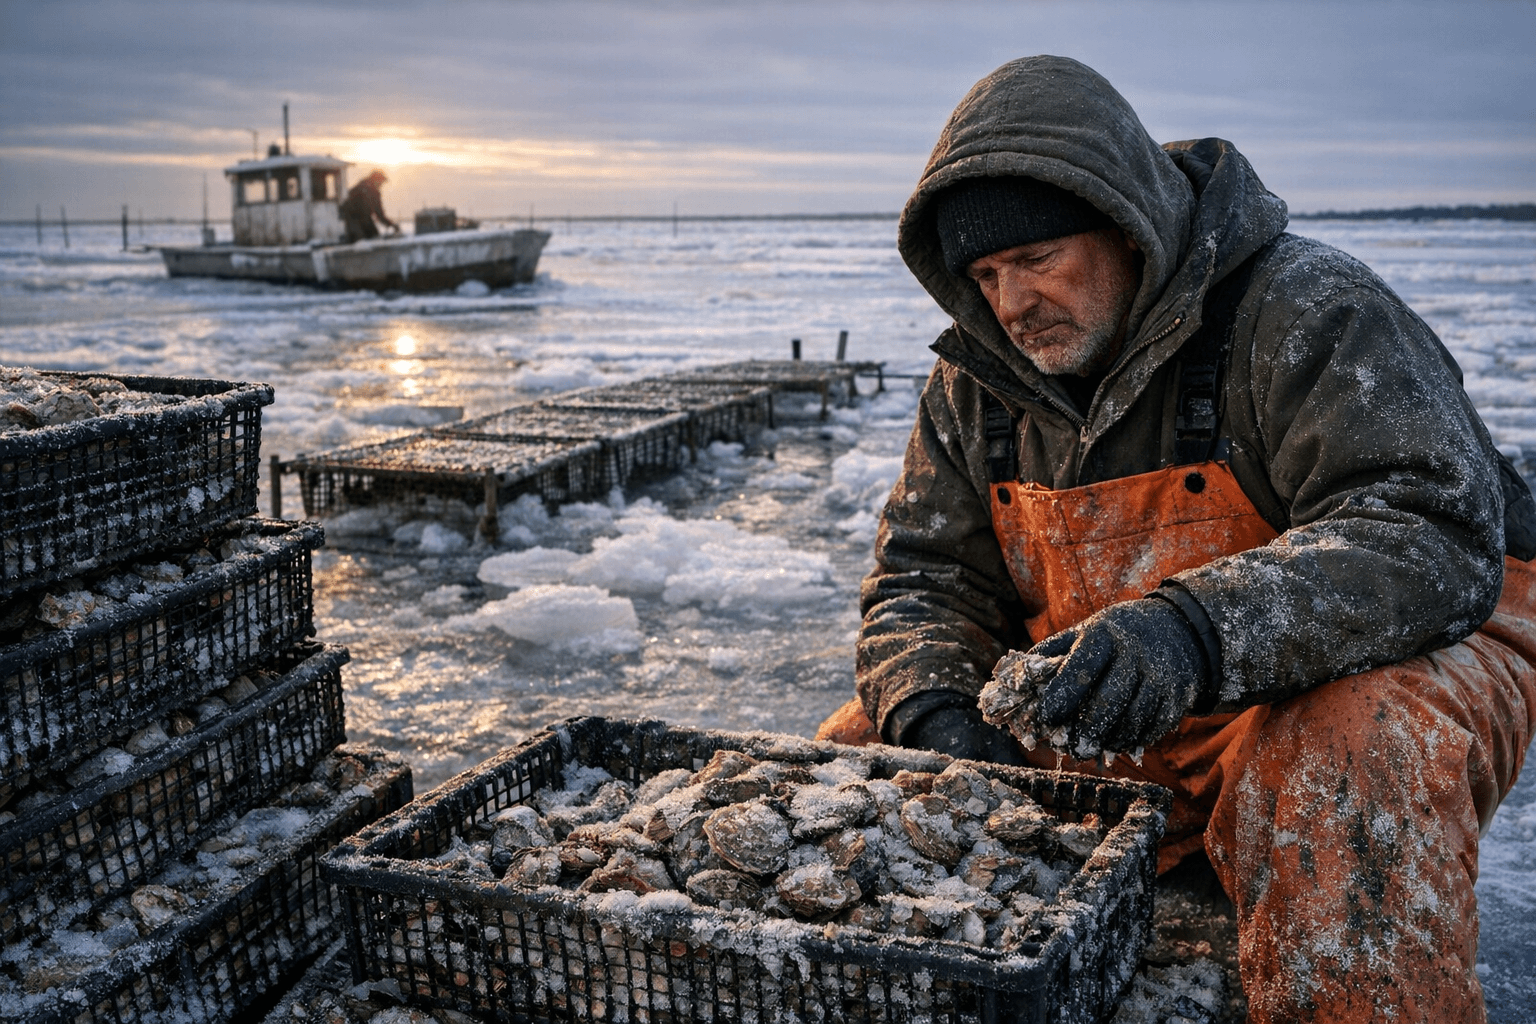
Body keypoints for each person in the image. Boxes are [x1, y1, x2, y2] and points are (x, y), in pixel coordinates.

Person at [818, 55, 1536, 1022]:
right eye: (985, 275)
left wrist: (1192, 632)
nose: (1011, 303)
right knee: (865, 751)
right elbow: (921, 580)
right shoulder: (974, 384)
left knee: (1344, 751)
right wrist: (941, 720)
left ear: (1126, 225)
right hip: (1126, 694)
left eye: (1037, 258)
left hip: (1366, 670)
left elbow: (1430, 531)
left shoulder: (1308, 310)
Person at [339, 169, 397, 242]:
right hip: (354, 218)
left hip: (362, 218)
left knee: (373, 237)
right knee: (361, 240)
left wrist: (390, 224)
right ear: (376, 180)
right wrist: (391, 225)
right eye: (381, 182)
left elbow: (378, 213)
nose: (381, 185)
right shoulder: (369, 190)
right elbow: (378, 213)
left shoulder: (364, 187)